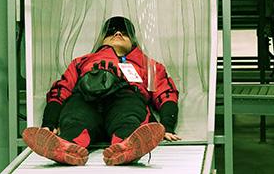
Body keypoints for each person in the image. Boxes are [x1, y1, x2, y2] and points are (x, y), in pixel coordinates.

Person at [22, 15, 181, 166]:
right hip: (86, 98)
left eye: (124, 32)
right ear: (102, 38)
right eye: (111, 31)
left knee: (129, 116)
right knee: (75, 118)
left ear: (133, 40)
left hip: (126, 99)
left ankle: (125, 145)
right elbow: (60, 91)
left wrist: (167, 126)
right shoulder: (82, 61)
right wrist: (49, 123)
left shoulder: (149, 66)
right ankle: (67, 146)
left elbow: (166, 94)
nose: (118, 33)